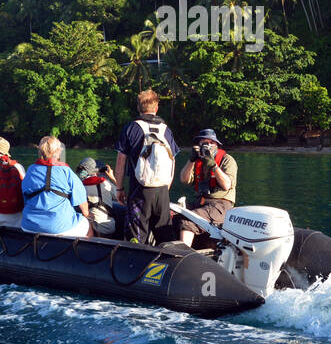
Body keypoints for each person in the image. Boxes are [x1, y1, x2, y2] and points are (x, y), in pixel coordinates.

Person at [113, 89, 179, 245]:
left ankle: (134, 264)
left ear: (138, 107)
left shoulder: (131, 128)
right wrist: (166, 185)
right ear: (156, 108)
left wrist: (119, 188)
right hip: (162, 190)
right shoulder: (166, 130)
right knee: (165, 234)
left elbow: (120, 162)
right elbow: (172, 160)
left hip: (139, 191)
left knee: (136, 236)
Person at [173, 128, 238, 247]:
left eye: (211, 143)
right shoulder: (198, 160)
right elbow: (184, 179)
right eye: (204, 143)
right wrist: (191, 160)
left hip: (221, 206)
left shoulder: (227, 160)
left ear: (217, 145)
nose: (208, 146)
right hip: (201, 202)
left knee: (189, 221)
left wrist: (213, 165)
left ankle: (181, 254)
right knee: (172, 214)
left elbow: (226, 185)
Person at [21, 136, 91, 237]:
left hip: (29, 226)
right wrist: (87, 215)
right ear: (58, 151)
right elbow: (83, 206)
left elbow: (24, 197)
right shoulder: (66, 171)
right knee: (87, 226)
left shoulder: (31, 170)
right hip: (60, 227)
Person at [75, 158, 126, 238]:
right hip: (109, 228)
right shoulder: (106, 183)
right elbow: (122, 197)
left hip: (90, 230)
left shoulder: (79, 187)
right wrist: (112, 178)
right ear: (96, 171)